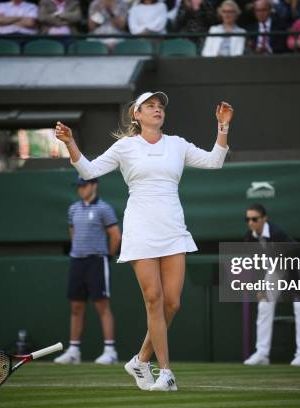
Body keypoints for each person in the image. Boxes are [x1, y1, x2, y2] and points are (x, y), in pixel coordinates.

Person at [55, 92, 233, 391]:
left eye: (160, 106)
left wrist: (223, 127)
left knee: (172, 303)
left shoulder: (177, 145)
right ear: (136, 114)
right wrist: (70, 142)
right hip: (140, 231)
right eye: (150, 106)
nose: (157, 110)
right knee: (154, 300)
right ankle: (165, 372)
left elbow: (215, 161)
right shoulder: (125, 146)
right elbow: (89, 170)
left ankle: (139, 360)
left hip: (173, 229)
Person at [54, 176, 122, 365]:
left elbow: (116, 236)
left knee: (102, 306)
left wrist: (107, 256)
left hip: (97, 261)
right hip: (77, 261)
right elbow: (73, 232)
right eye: (78, 186)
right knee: (76, 306)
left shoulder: (104, 208)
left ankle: (110, 351)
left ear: (94, 185)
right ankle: (74, 350)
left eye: (84, 186)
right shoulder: (73, 209)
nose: (80, 189)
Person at [242, 203, 300, 367]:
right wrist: (260, 286)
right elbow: (256, 262)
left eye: (254, 219)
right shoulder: (249, 237)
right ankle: (262, 354)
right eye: (247, 219)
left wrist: (295, 286)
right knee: (264, 305)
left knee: (299, 306)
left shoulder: (277, 233)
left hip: (298, 264)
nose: (251, 222)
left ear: (264, 219)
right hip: (275, 267)